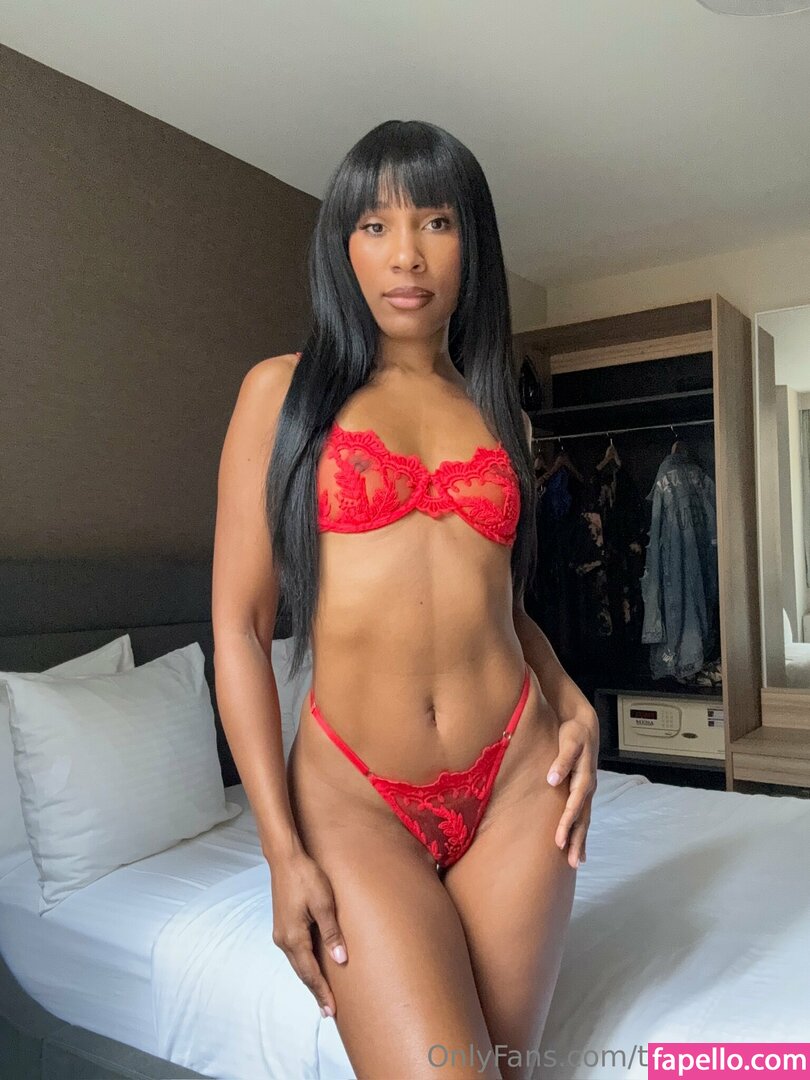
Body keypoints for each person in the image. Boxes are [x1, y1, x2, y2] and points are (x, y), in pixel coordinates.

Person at [212, 119, 599, 1080]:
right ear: (342, 246)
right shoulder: (282, 395)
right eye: (375, 226)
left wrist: (573, 701)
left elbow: (502, 608)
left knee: (504, 1068)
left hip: (518, 781)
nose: (407, 255)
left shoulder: (501, 412)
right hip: (356, 800)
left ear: (473, 242)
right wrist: (280, 852)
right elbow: (241, 628)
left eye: (436, 221)